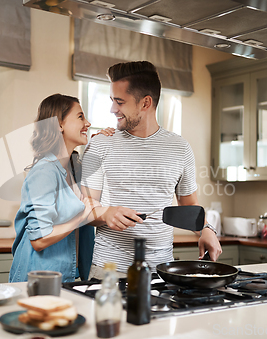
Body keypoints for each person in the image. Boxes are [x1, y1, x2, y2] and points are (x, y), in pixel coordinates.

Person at [81, 61, 222, 279]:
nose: (112, 109)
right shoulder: (100, 145)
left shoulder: (180, 148)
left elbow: (190, 206)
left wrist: (206, 230)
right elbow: (85, 207)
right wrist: (105, 213)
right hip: (108, 271)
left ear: (145, 103)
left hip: (161, 272)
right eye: (112, 101)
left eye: (119, 102)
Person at [9, 94, 100, 283]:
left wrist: (102, 143)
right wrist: (80, 218)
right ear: (59, 124)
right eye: (81, 117)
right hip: (38, 278)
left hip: (69, 274)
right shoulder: (44, 172)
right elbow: (39, 239)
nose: (88, 123)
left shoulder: (74, 167)